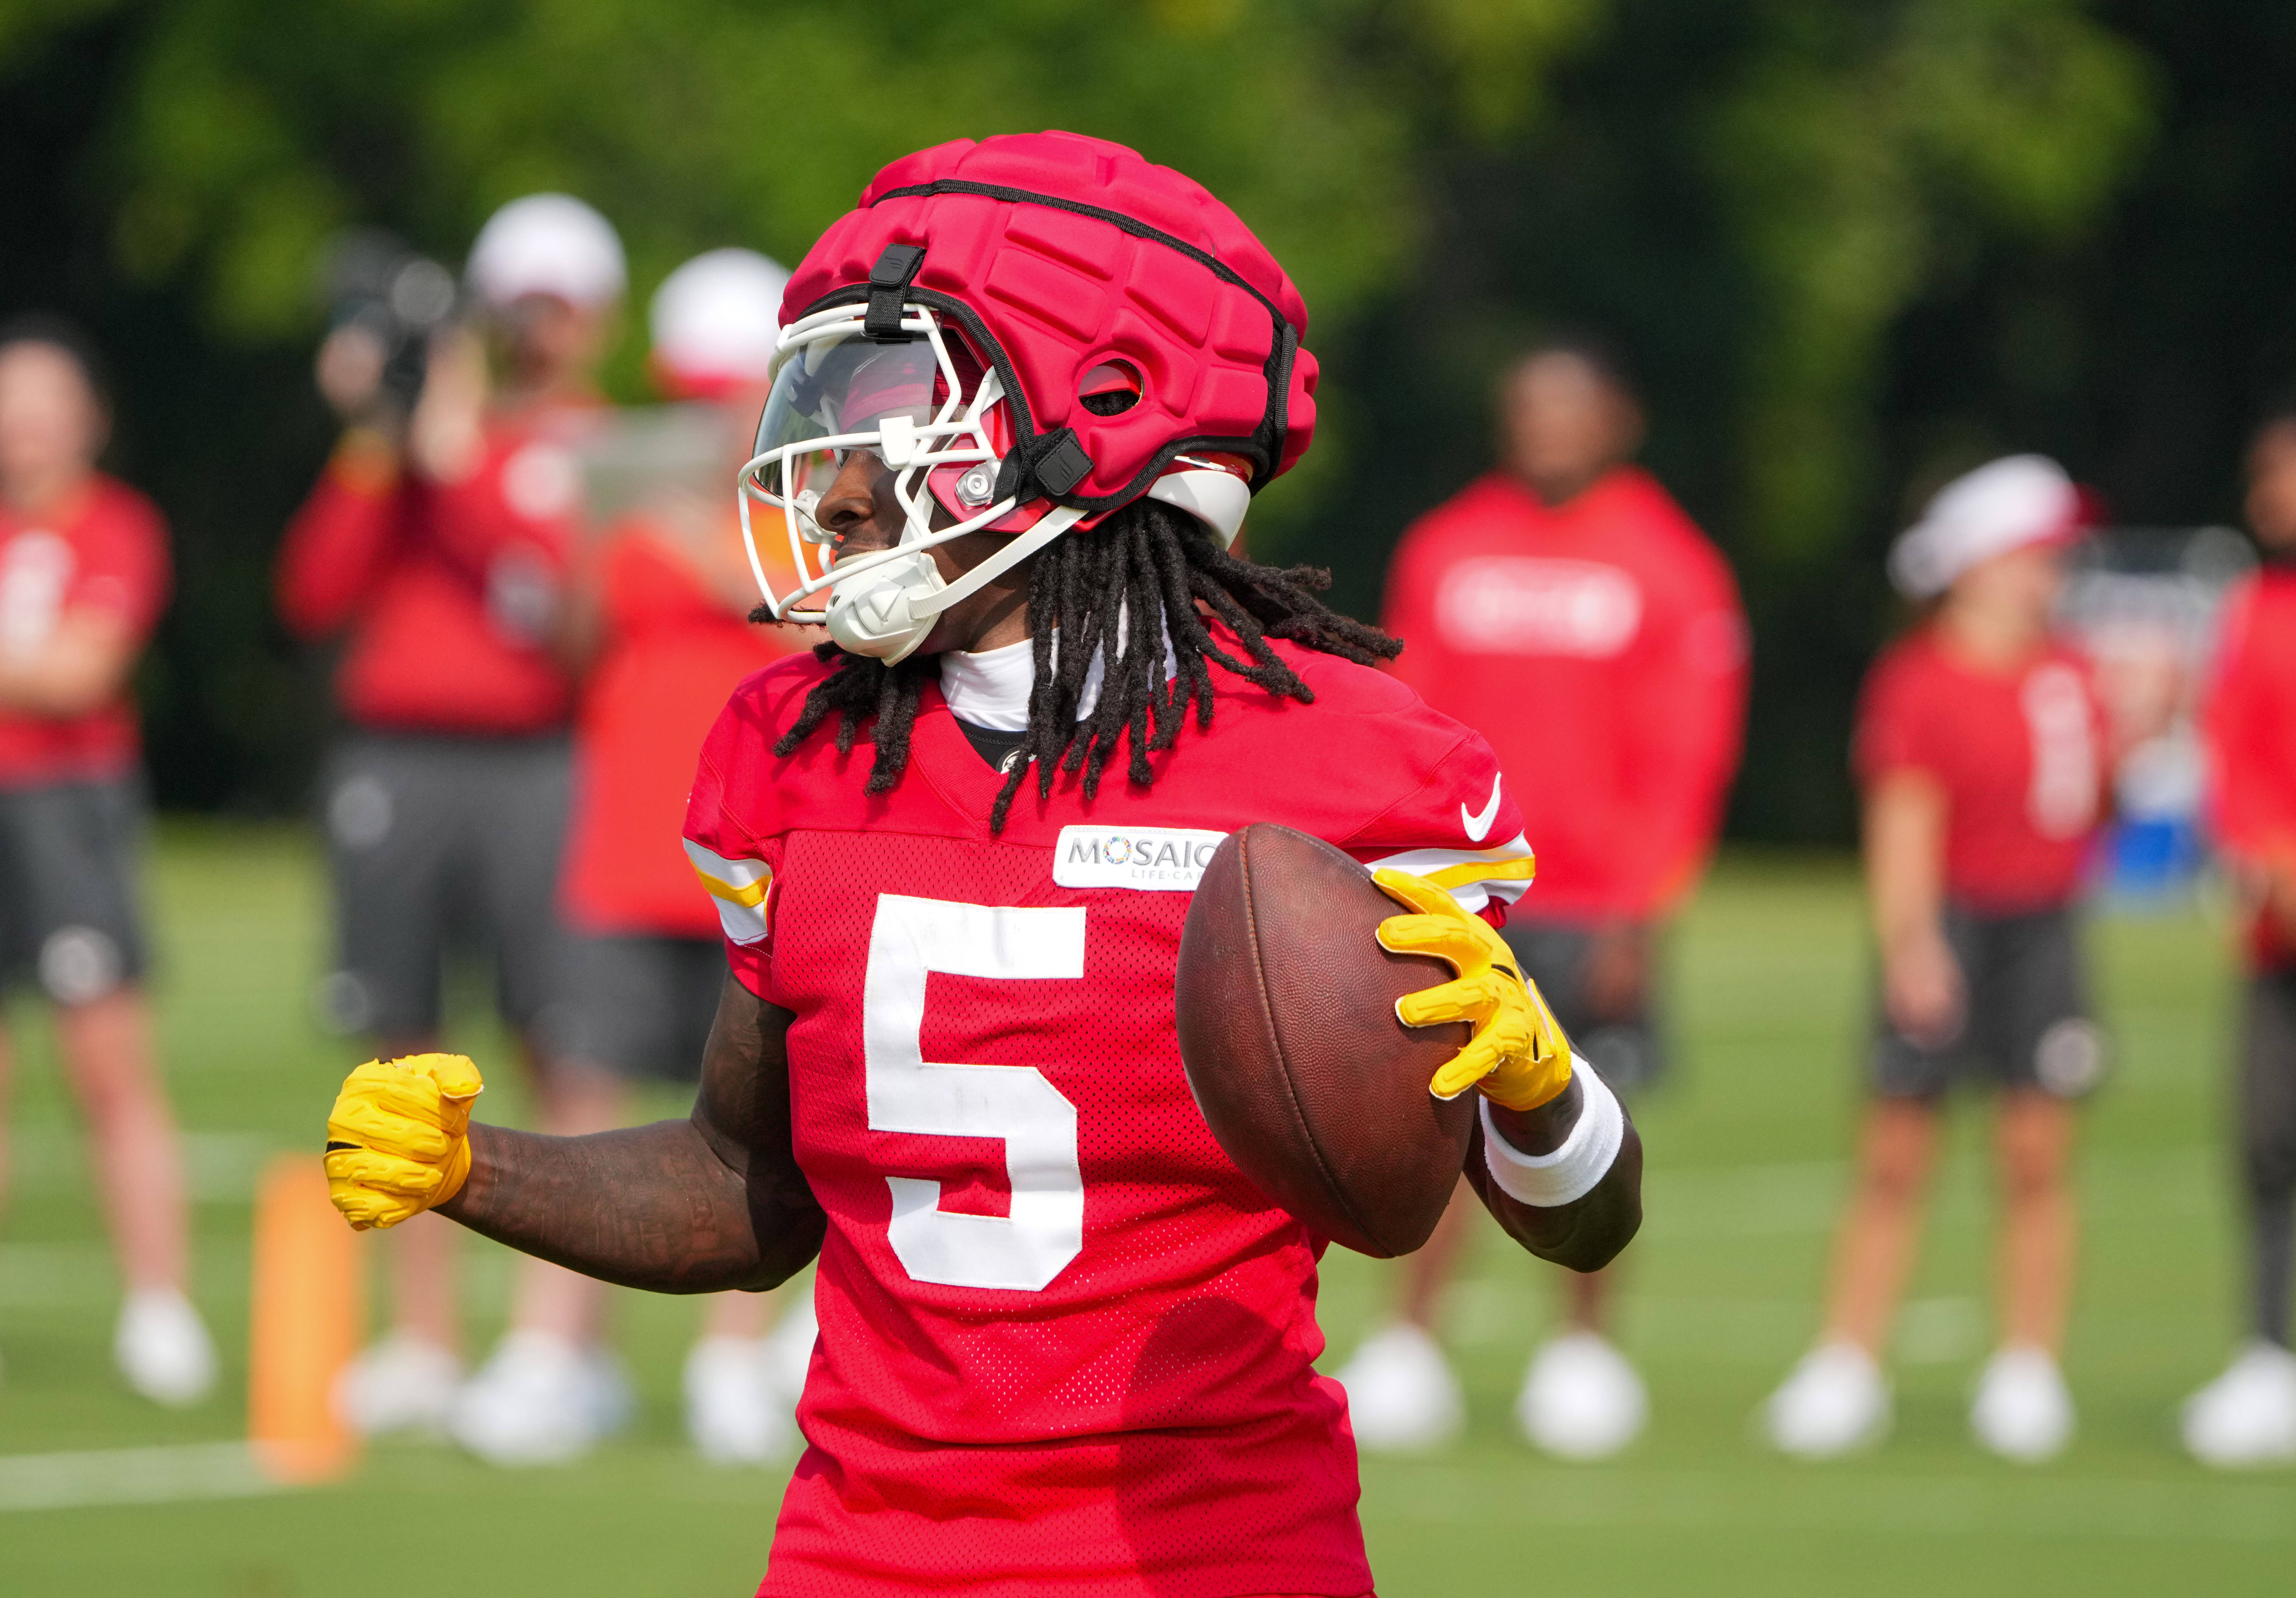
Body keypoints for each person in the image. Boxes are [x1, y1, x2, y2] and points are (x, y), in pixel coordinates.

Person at [317, 132, 1642, 1595]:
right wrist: (474, 1168)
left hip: (1214, 1556)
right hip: (865, 1554)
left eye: (899, 402)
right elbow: (745, 1188)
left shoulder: (1353, 765)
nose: (831, 470)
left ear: (1107, 419)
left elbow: (1580, 1218)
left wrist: (1542, 1093)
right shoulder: (796, 748)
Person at [450, 248, 815, 1465]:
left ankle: (729, 1365)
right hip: (624, 840)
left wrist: (695, 539)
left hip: (753, 850)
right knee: (586, 1090)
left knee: (751, 1116)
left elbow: (797, 606)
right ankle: (558, 1353)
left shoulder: (812, 521)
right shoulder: (631, 515)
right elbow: (569, 638)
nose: (723, 419)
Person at [1356, 339, 1747, 1457]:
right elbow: (1406, 716)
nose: (1545, 426)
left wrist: (1645, 904)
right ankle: (1411, 1345)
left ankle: (1582, 1353)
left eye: (1568, 407)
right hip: (1459, 895)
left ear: (1619, 420)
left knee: (1585, 1126)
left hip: (1596, 902)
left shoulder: (1670, 565)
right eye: (1527, 406)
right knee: (1433, 1117)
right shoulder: (1447, 545)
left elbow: (1688, 753)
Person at [277, 194, 623, 1441]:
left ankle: (559, 1344)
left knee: (559, 1044)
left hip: (539, 761)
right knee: (399, 1053)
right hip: (399, 762)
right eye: (515, 305)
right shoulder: (419, 446)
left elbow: (550, 589)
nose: (536, 329)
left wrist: (452, 451)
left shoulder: (589, 441)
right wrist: (380, 435)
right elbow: (315, 588)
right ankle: (422, 1336)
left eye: (558, 305)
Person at [1764, 454, 2111, 1464]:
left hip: (2045, 930)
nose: (2051, 573)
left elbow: (2090, 811)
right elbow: (1905, 820)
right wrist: (1914, 946)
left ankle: (2028, 1367)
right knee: (1894, 1160)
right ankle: (1847, 1362)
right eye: (2033, 553)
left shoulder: (2074, 674)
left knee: (2038, 1157)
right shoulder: (1920, 676)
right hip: (1949, 923)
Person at [0, 319, 214, 1404]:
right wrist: (9, 669)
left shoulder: (118, 525)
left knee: (106, 1061)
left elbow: (83, 675)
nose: (23, 423)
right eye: (4, 400)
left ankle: (161, 1304)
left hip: (69, 810)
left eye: (44, 399)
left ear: (87, 416)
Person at [2182, 405, 2296, 1466]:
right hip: (2278, 937)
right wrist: (2265, 851)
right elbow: (2233, 758)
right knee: (2267, 1142)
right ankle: (2268, 1354)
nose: (2268, 490)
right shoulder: (2255, 610)